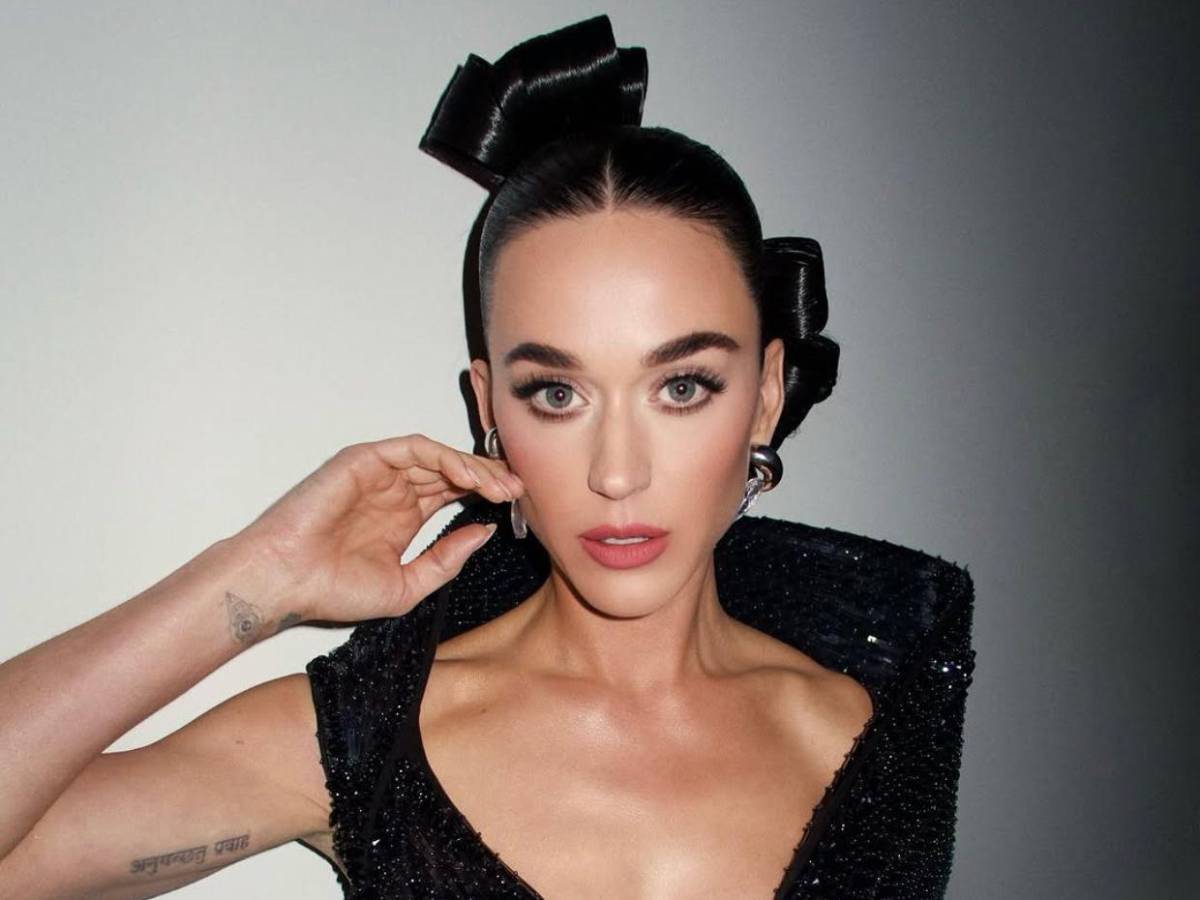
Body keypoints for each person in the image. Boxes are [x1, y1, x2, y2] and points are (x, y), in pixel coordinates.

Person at [0, 14, 975, 900]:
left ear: (765, 394)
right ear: (489, 409)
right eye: (557, 393)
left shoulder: (870, 730)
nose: (617, 473)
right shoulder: (368, 742)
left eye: (681, 387)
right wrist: (259, 579)